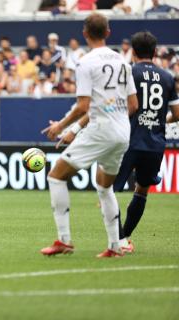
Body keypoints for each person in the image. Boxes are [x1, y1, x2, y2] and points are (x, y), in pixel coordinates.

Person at [40, 13, 138, 258]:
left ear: (85, 33)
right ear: (108, 32)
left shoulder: (85, 63)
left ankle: (64, 240)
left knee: (56, 176)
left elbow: (84, 106)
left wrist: (60, 127)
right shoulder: (123, 62)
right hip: (122, 132)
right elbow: (133, 105)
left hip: (101, 129)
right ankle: (115, 247)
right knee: (105, 188)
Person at [113, 31, 179, 252]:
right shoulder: (168, 77)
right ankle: (125, 237)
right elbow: (177, 113)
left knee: (108, 191)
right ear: (154, 52)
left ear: (132, 52)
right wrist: (161, 119)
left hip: (128, 141)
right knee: (141, 191)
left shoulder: (129, 73)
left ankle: (119, 240)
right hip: (155, 144)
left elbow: (119, 105)